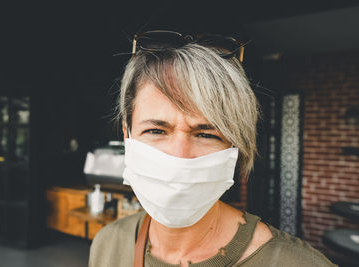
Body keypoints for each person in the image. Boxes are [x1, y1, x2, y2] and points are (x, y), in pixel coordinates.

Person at [88, 30, 336, 267]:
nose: (180, 156)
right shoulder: (107, 245)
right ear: (126, 134)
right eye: (156, 130)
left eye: (206, 134)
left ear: (236, 145)